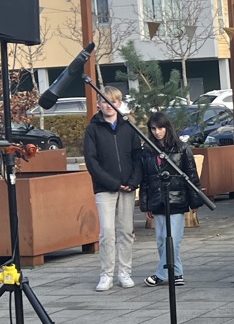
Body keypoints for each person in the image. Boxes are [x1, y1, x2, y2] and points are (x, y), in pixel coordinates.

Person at [84, 87, 143, 292]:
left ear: (119, 104)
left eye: (113, 102)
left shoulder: (128, 127)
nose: (109, 106)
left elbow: (137, 156)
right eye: (105, 102)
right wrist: (111, 182)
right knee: (107, 232)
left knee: (126, 231)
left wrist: (133, 181)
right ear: (99, 104)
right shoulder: (93, 129)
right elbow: (91, 160)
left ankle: (124, 272)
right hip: (105, 188)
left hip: (127, 187)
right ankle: (106, 274)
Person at [137, 111, 201, 287]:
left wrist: (195, 201)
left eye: (161, 128)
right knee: (161, 240)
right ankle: (177, 273)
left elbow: (192, 175)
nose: (157, 132)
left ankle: (161, 274)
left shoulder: (182, 148)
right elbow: (145, 180)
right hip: (157, 200)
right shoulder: (148, 151)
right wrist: (146, 204)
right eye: (153, 128)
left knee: (172, 239)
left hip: (177, 199)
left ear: (168, 127)